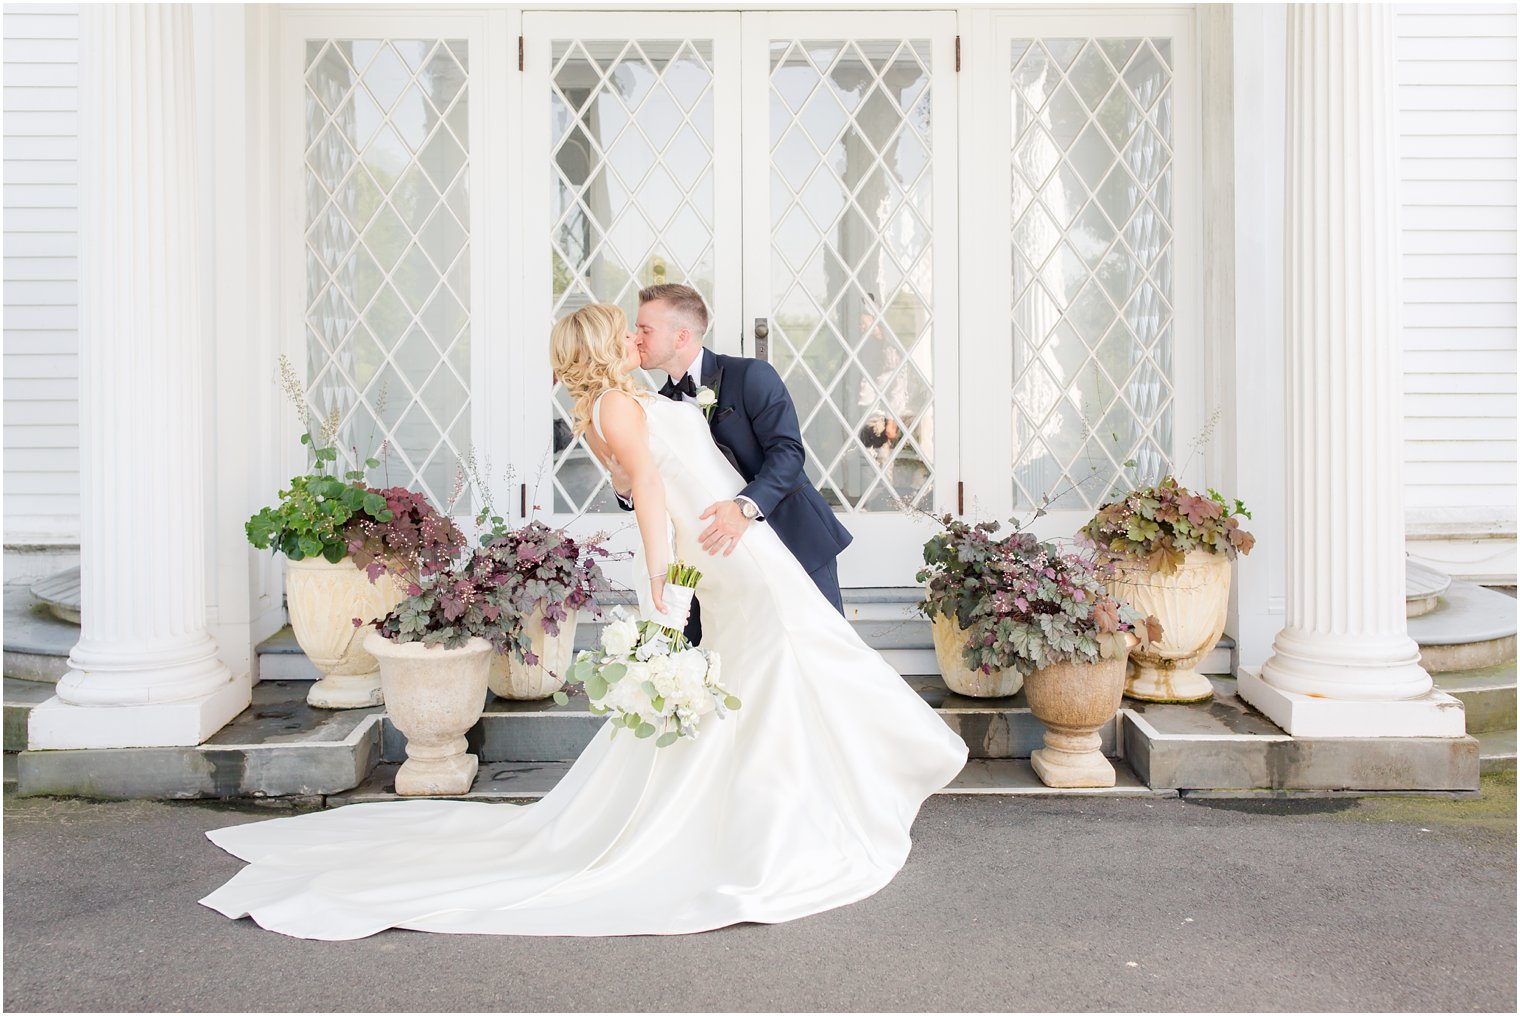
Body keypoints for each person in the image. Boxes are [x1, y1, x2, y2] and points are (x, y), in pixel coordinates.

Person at [196, 303, 969, 941]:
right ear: (605, 347)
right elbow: (651, 494)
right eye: (624, 331)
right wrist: (670, 579)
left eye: (643, 328)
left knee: (781, 665)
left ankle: (789, 803)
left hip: (731, 539)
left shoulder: (614, 406)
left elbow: (654, 483)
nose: (636, 337)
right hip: (720, 553)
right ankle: (815, 804)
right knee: (792, 655)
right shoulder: (621, 406)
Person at [608, 283, 853, 644]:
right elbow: (655, 484)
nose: (636, 338)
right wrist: (622, 484)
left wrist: (744, 508)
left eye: (646, 329)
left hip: (790, 535)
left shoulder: (751, 375)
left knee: (824, 648)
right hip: (714, 558)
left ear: (681, 336)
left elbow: (788, 453)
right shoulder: (655, 406)